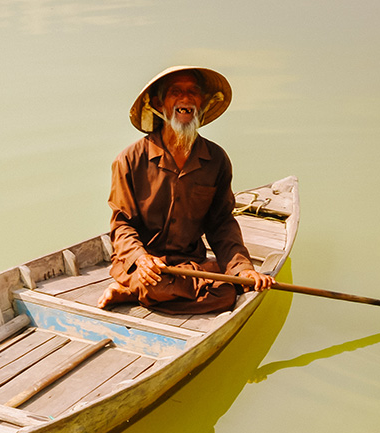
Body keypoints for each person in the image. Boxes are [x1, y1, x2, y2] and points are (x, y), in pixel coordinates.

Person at [98, 66, 274, 314]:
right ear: (160, 105)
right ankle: (134, 288)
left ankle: (132, 293)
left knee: (228, 293)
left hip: (190, 263)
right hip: (144, 266)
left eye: (193, 92)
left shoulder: (216, 159)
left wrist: (242, 268)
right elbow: (122, 225)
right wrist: (140, 258)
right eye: (175, 92)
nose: (186, 98)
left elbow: (221, 223)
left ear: (201, 104)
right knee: (155, 284)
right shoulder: (129, 159)